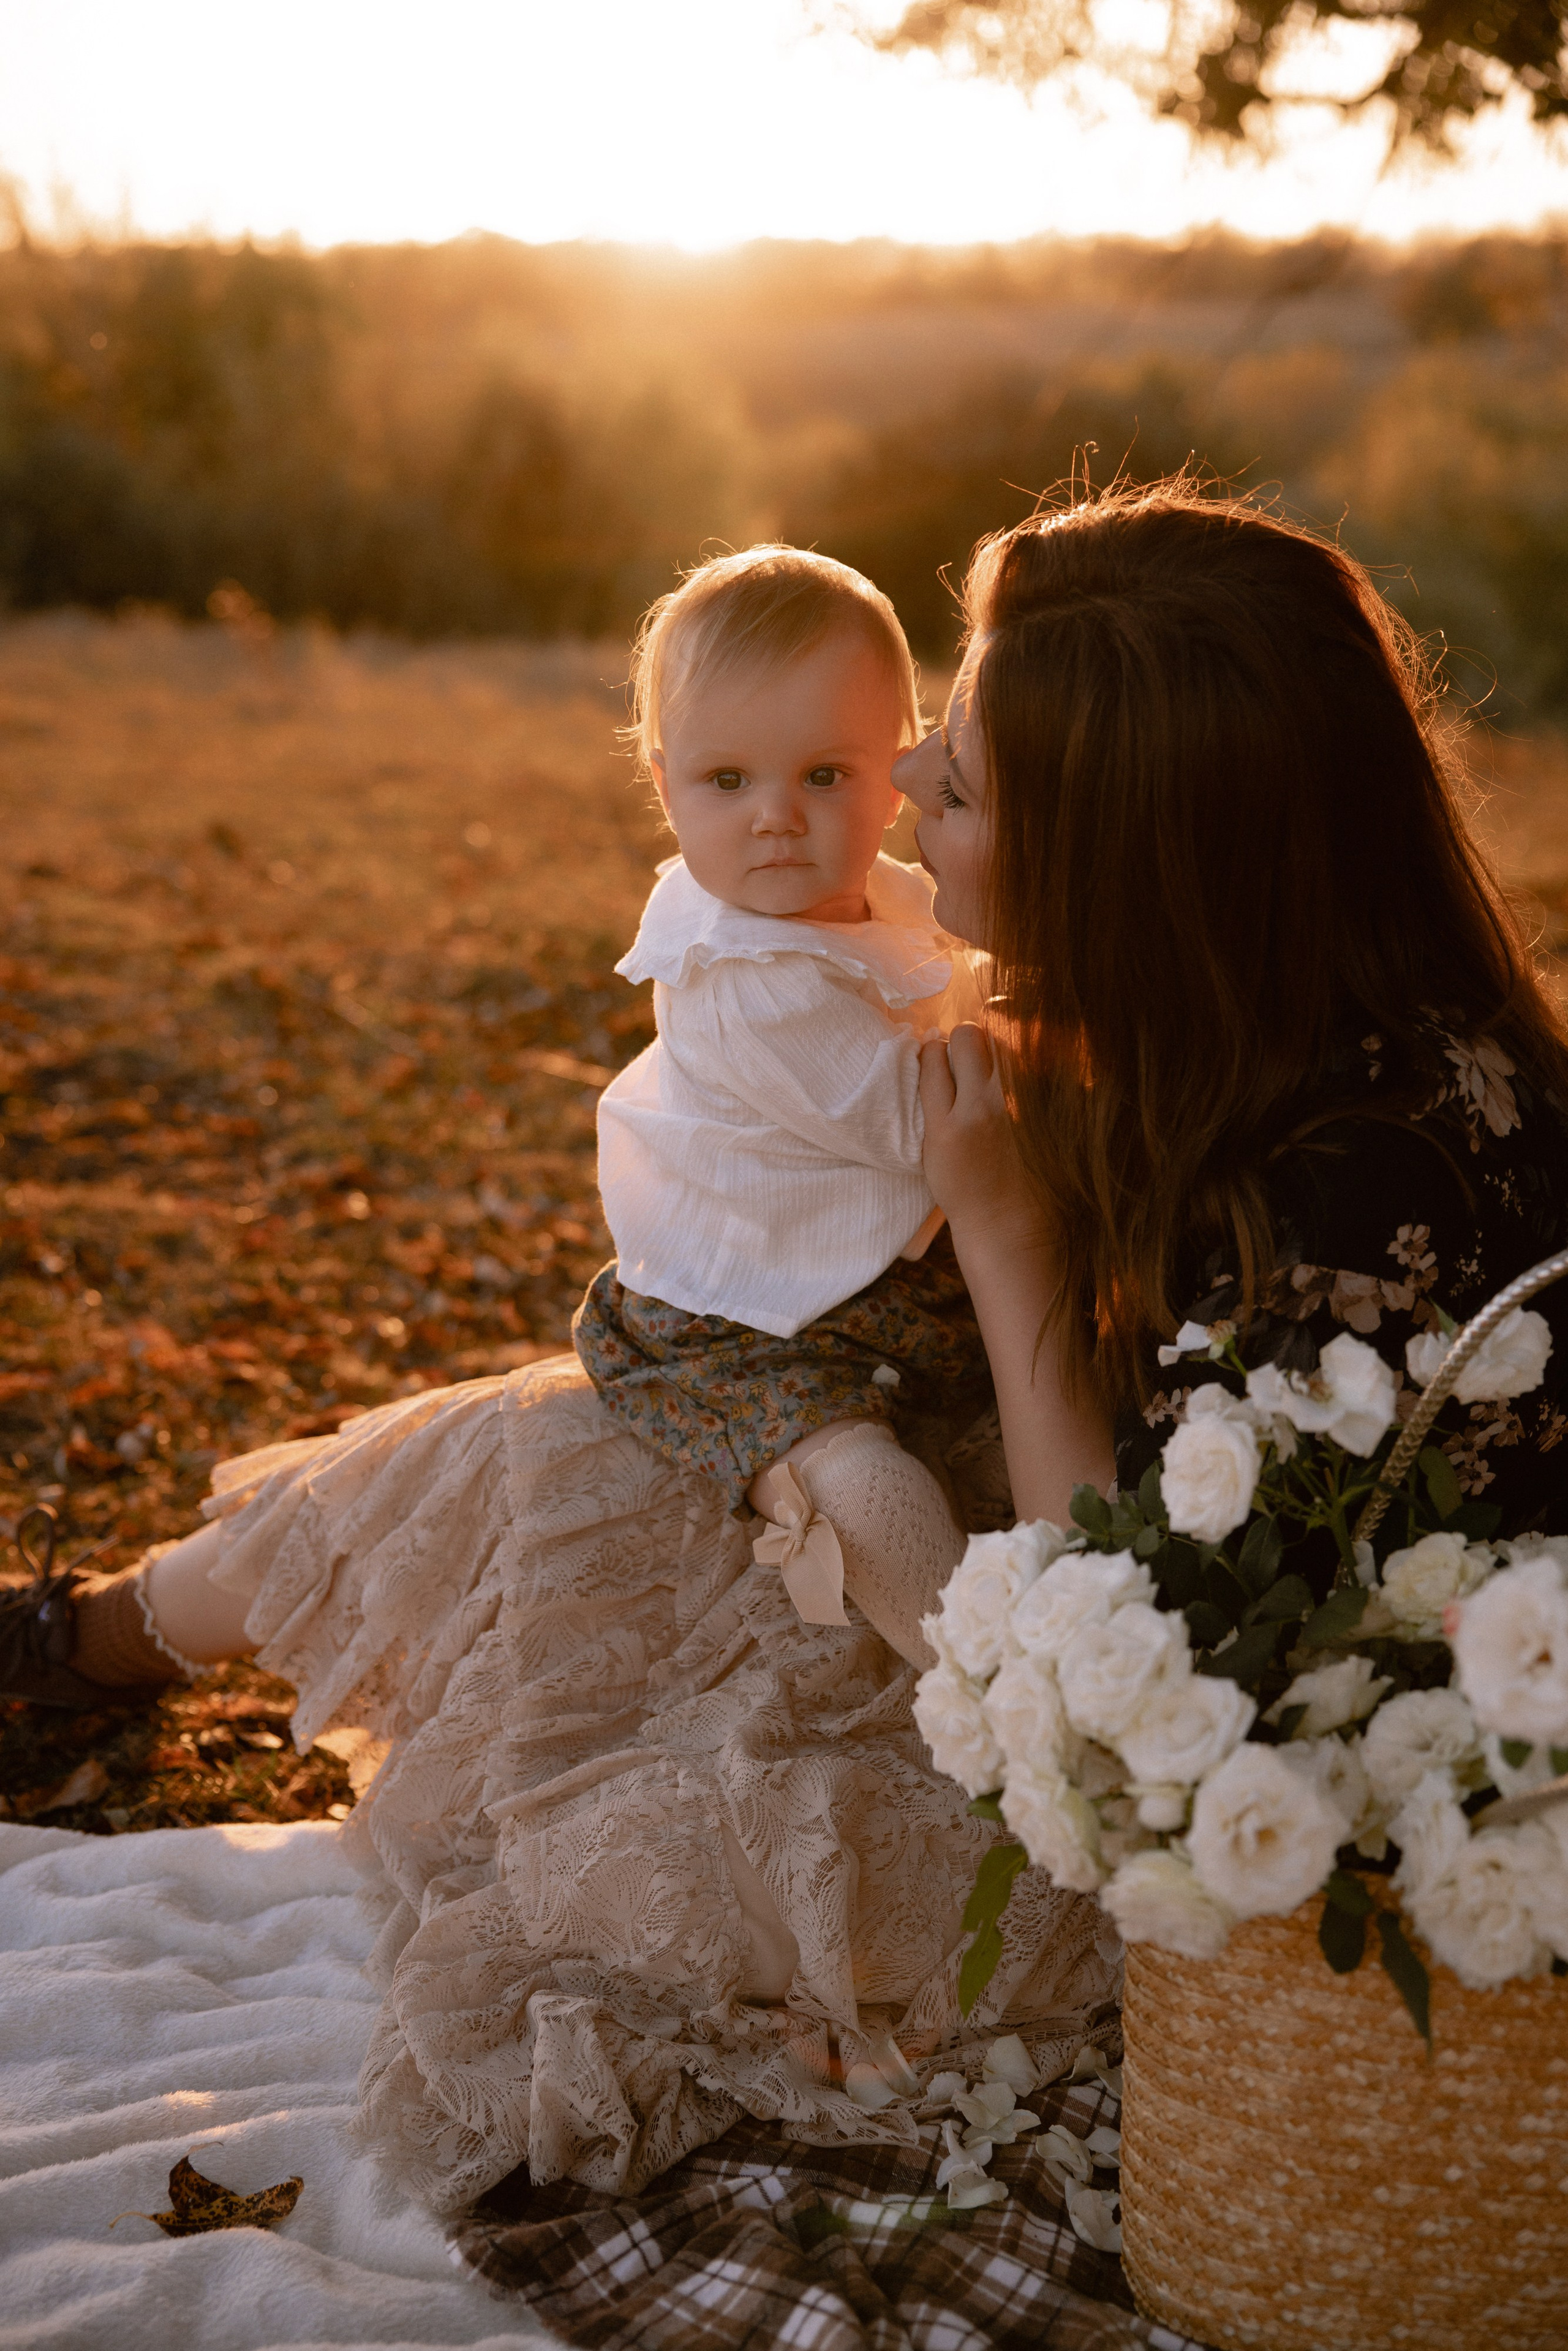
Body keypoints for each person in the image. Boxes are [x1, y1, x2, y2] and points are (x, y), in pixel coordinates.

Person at [4, 482, 1566, 2221]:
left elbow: (1099, 1631)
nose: (896, 797)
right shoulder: (1306, 1016)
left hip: (1133, 1754)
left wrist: (1002, 1221)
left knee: (596, 1537)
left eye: (952, 783)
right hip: (1032, 1552)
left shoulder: (1357, 1198)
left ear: (1126, 849)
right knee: (558, 1438)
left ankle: (85, 1632)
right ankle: (85, 1631)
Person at [574, 544, 995, 1662]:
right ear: (663, 783)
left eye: (823, 776)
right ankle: (989, 1690)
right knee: (869, 1489)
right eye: (729, 782)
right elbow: (925, 1126)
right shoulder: (746, 980)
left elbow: (961, 988)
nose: (776, 817)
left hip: (871, 1278)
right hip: (753, 1323)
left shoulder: (887, 904)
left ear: (897, 767)